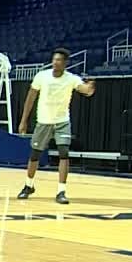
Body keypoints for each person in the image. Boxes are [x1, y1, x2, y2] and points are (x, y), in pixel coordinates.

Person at [16, 47, 95, 204]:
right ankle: (28, 185)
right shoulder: (42, 76)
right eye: (54, 59)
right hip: (44, 121)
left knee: (64, 153)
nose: (55, 62)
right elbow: (30, 98)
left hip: (62, 121)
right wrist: (23, 120)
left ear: (65, 63)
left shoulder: (71, 78)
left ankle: (61, 191)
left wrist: (89, 89)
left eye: (59, 60)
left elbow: (83, 89)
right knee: (35, 155)